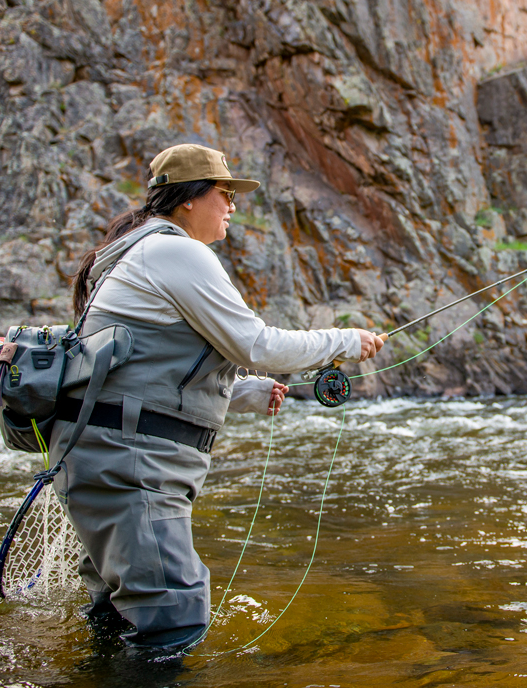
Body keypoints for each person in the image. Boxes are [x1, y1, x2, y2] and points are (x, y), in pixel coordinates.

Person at [49, 142, 385, 650]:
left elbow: (144, 370)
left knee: (117, 618)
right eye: (224, 193)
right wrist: (344, 340)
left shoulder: (140, 250)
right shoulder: (174, 250)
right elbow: (256, 343)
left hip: (108, 457)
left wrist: (243, 392)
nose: (232, 205)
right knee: (172, 617)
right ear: (187, 199)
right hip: (130, 465)